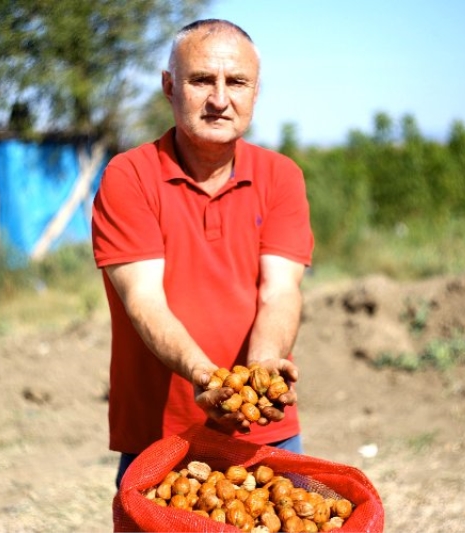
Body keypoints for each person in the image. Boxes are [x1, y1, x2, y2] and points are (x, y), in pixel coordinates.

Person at [90, 18, 314, 489]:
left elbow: (280, 289)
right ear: (169, 87)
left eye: (236, 82)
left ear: (255, 92)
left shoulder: (281, 177)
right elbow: (144, 299)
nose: (219, 99)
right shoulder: (129, 176)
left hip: (265, 430)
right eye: (201, 81)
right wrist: (203, 376)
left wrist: (264, 364)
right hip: (160, 434)